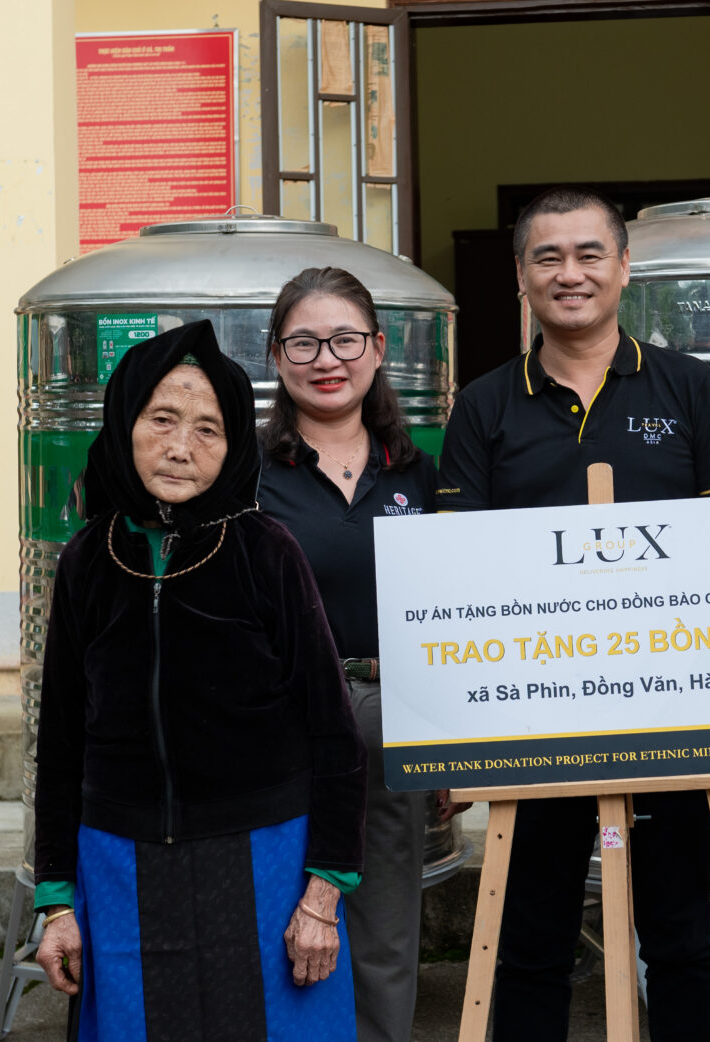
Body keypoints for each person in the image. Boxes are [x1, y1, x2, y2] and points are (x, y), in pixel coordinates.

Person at [437, 186, 710, 1042]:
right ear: (522, 276)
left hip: (675, 709)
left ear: (623, 266)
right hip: (535, 717)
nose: (569, 275)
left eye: (587, 255)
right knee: (530, 938)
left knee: (682, 935)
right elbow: (460, 572)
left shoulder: (688, 389)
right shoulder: (485, 406)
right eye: (548, 257)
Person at [32, 319, 365, 1041]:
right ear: (125, 420)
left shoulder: (264, 551)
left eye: (209, 429)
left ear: (235, 442)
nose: (182, 448)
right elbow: (59, 738)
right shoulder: (89, 560)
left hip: (266, 856)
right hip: (120, 859)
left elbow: (334, 733)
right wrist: (57, 900)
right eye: (162, 420)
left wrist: (324, 891)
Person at [256, 267, 441, 1042]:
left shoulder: (419, 473)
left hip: (392, 715)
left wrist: (453, 746)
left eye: (345, 339)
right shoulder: (249, 475)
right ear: (275, 355)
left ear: (378, 348)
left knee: (384, 929)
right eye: (304, 341)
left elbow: (452, 611)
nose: (326, 358)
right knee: (277, 918)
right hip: (278, 720)